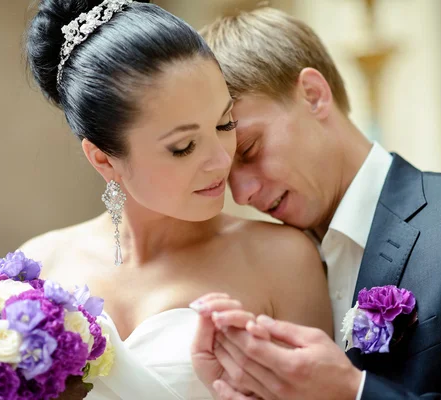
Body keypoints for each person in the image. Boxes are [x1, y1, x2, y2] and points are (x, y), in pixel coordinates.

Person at [192, 6, 441, 400]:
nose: (242, 194)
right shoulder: (261, 267)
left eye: (250, 150)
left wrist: (352, 390)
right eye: (224, 178)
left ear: (313, 95)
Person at [21, 1, 332, 399]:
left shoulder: (284, 260)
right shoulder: (41, 266)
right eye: (183, 146)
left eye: (225, 124)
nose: (223, 160)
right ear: (103, 159)